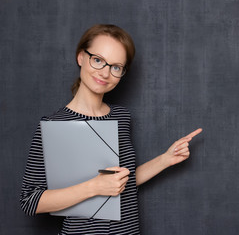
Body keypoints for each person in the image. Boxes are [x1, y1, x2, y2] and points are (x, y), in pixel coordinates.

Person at [20, 24, 202, 234]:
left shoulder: (121, 117)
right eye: (98, 60)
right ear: (81, 57)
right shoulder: (53, 124)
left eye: (116, 67)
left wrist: (166, 159)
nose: (105, 73)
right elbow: (30, 201)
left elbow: (121, 182)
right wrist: (94, 187)